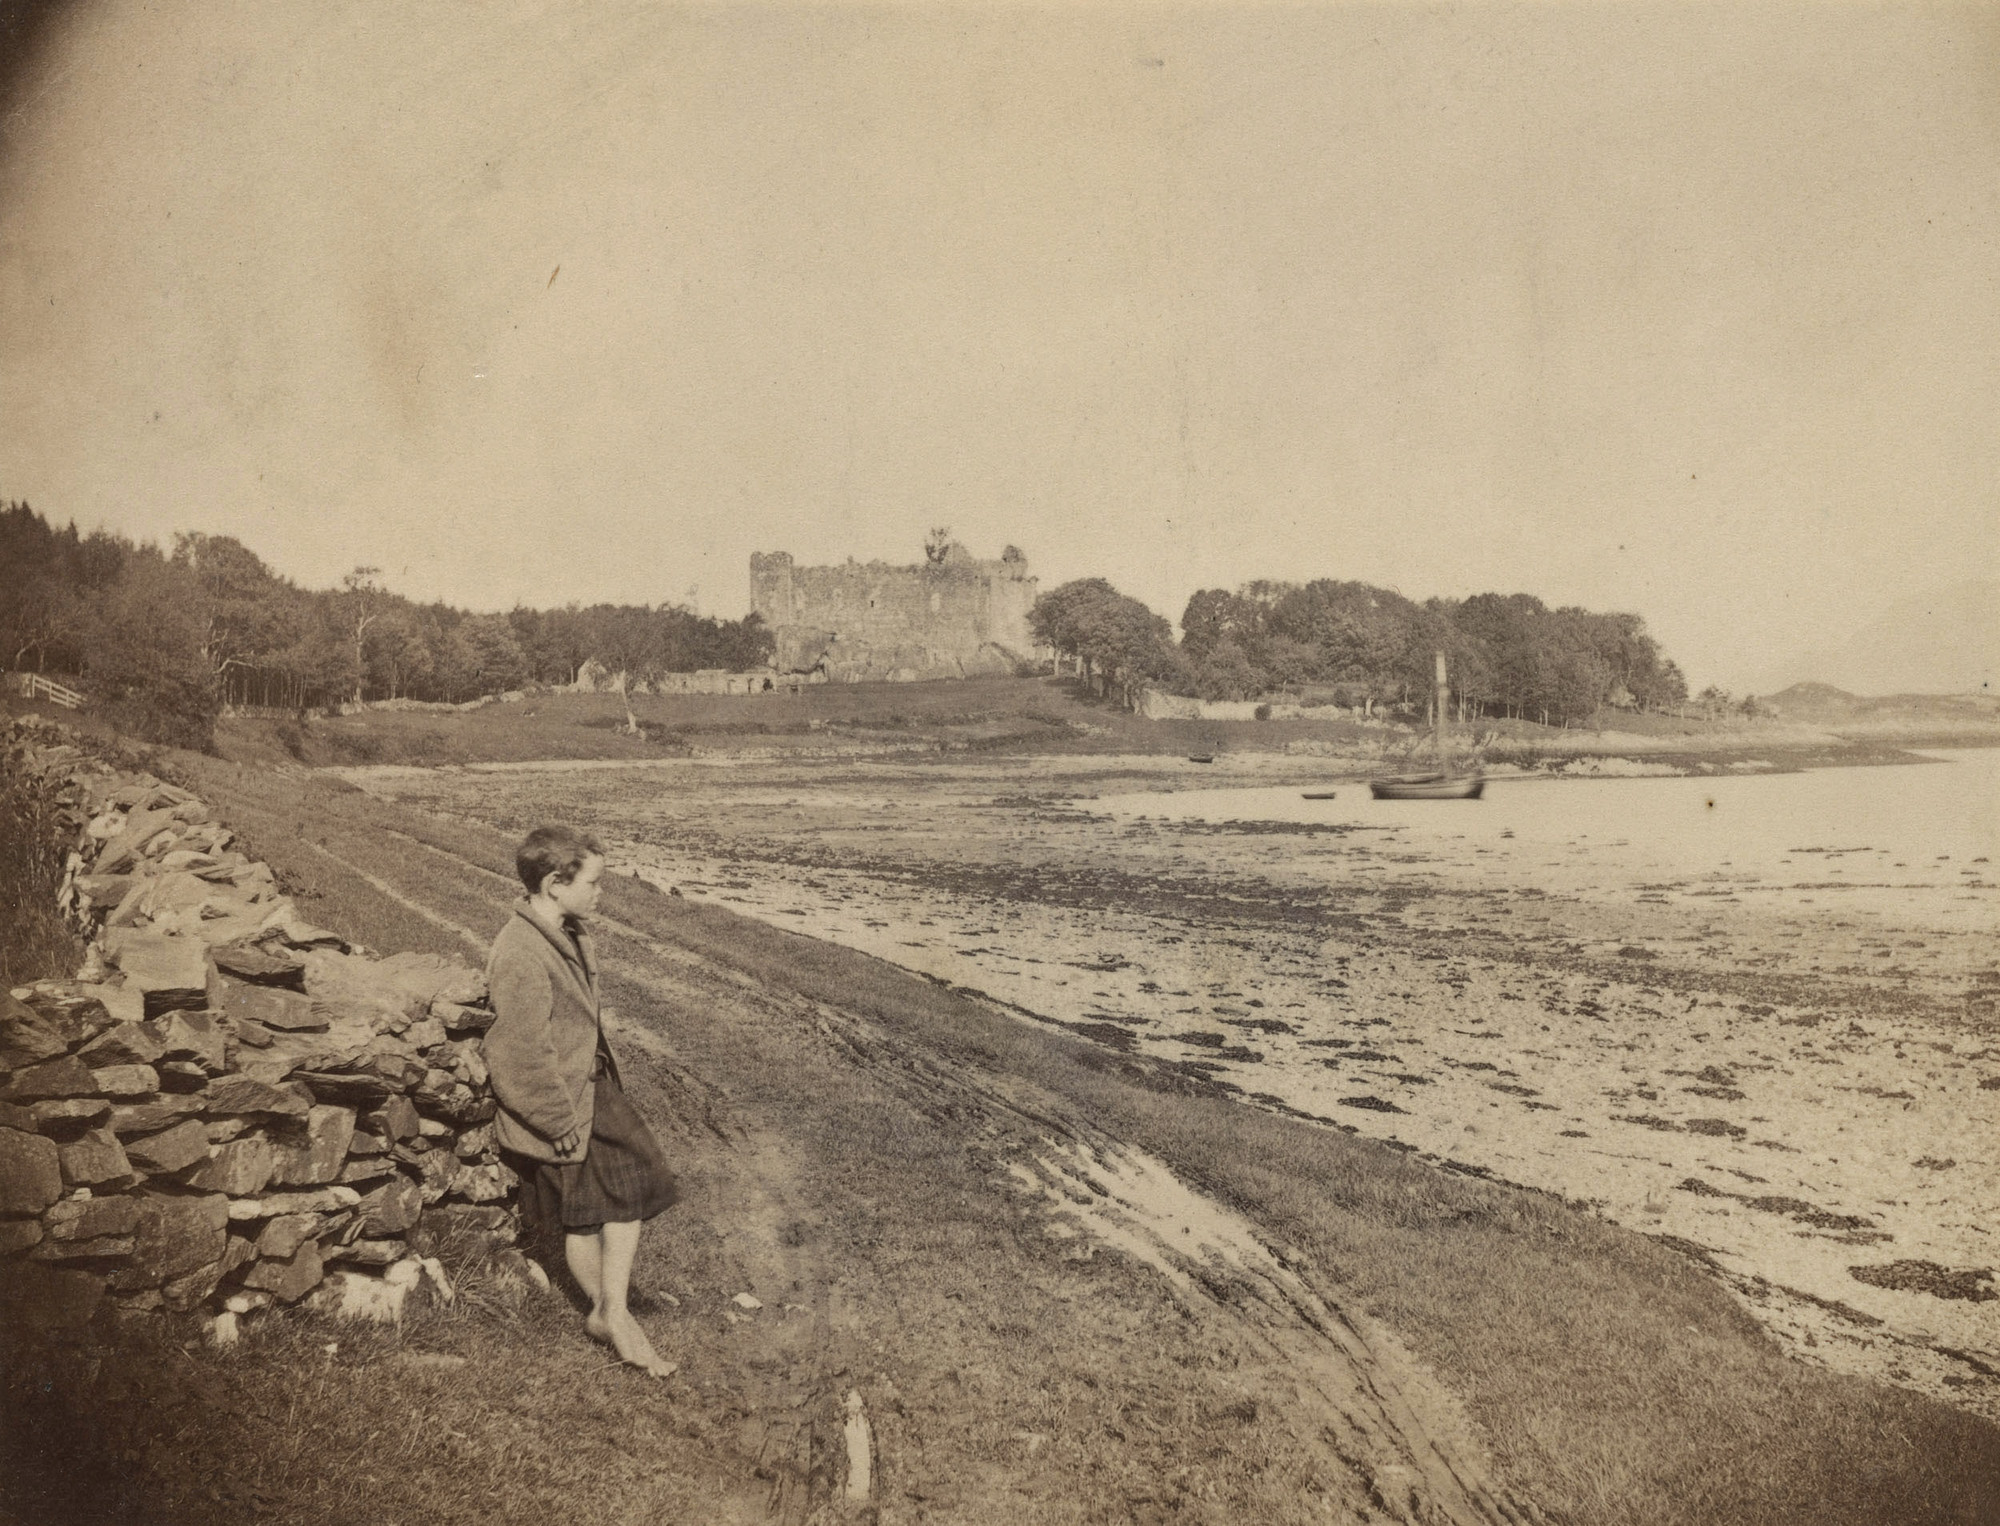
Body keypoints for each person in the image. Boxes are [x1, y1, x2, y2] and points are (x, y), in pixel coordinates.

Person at [484, 824, 679, 1377]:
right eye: (593, 882)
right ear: (553, 883)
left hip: (590, 1089)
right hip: (562, 1103)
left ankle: (609, 1309)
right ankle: (611, 1315)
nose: (601, 893)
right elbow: (517, 1049)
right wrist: (552, 1118)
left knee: (633, 1182)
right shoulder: (521, 951)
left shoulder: (566, 932)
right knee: (586, 1213)